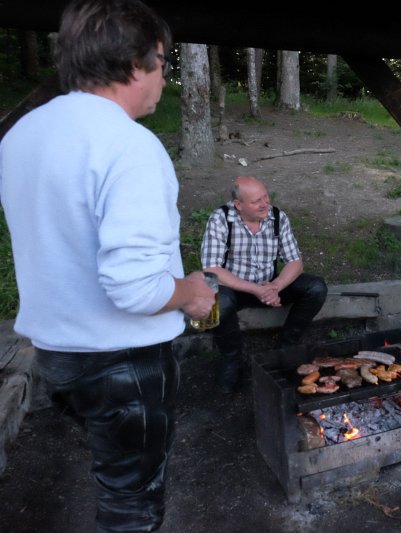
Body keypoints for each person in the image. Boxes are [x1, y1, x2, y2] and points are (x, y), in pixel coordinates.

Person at [0, 1, 216, 531]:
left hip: (58, 356)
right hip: (122, 363)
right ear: (137, 63)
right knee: (131, 506)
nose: (164, 78)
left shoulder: (21, 135)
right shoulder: (130, 146)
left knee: (114, 472)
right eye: (163, 63)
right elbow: (136, 287)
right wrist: (191, 292)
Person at [200, 175, 328, 393]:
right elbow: (211, 270)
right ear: (238, 205)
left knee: (316, 287)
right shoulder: (220, 219)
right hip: (235, 288)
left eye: (266, 197)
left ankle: (284, 349)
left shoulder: (277, 217)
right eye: (257, 201)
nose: (265, 204)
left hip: (270, 285)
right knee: (216, 300)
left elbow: (295, 262)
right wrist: (255, 289)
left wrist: (275, 286)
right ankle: (231, 359)